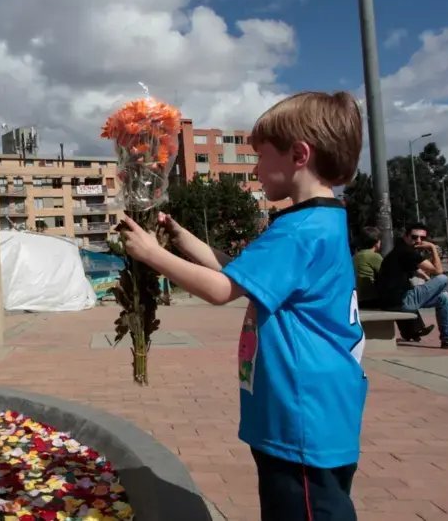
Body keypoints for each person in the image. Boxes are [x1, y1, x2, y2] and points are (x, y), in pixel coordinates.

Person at [118, 91, 366, 520]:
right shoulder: (320, 221)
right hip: (316, 410)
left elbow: (220, 291)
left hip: (300, 417)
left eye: (260, 156)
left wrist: (150, 254)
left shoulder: (299, 230)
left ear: (298, 155)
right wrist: (181, 238)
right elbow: (242, 277)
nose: (253, 168)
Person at [375, 223, 448, 350]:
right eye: (414, 237)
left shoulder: (399, 250)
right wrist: (432, 248)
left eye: (422, 238)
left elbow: (417, 270)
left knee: (443, 297)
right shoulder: (407, 252)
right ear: (406, 236)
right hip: (401, 301)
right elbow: (438, 271)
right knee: (443, 279)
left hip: (392, 301)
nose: (418, 241)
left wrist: (427, 279)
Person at [353, 227, 433, 342]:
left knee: (395, 299)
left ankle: (411, 332)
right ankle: (415, 329)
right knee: (401, 299)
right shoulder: (373, 256)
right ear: (377, 243)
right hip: (372, 297)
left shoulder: (355, 257)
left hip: (360, 298)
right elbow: (388, 271)